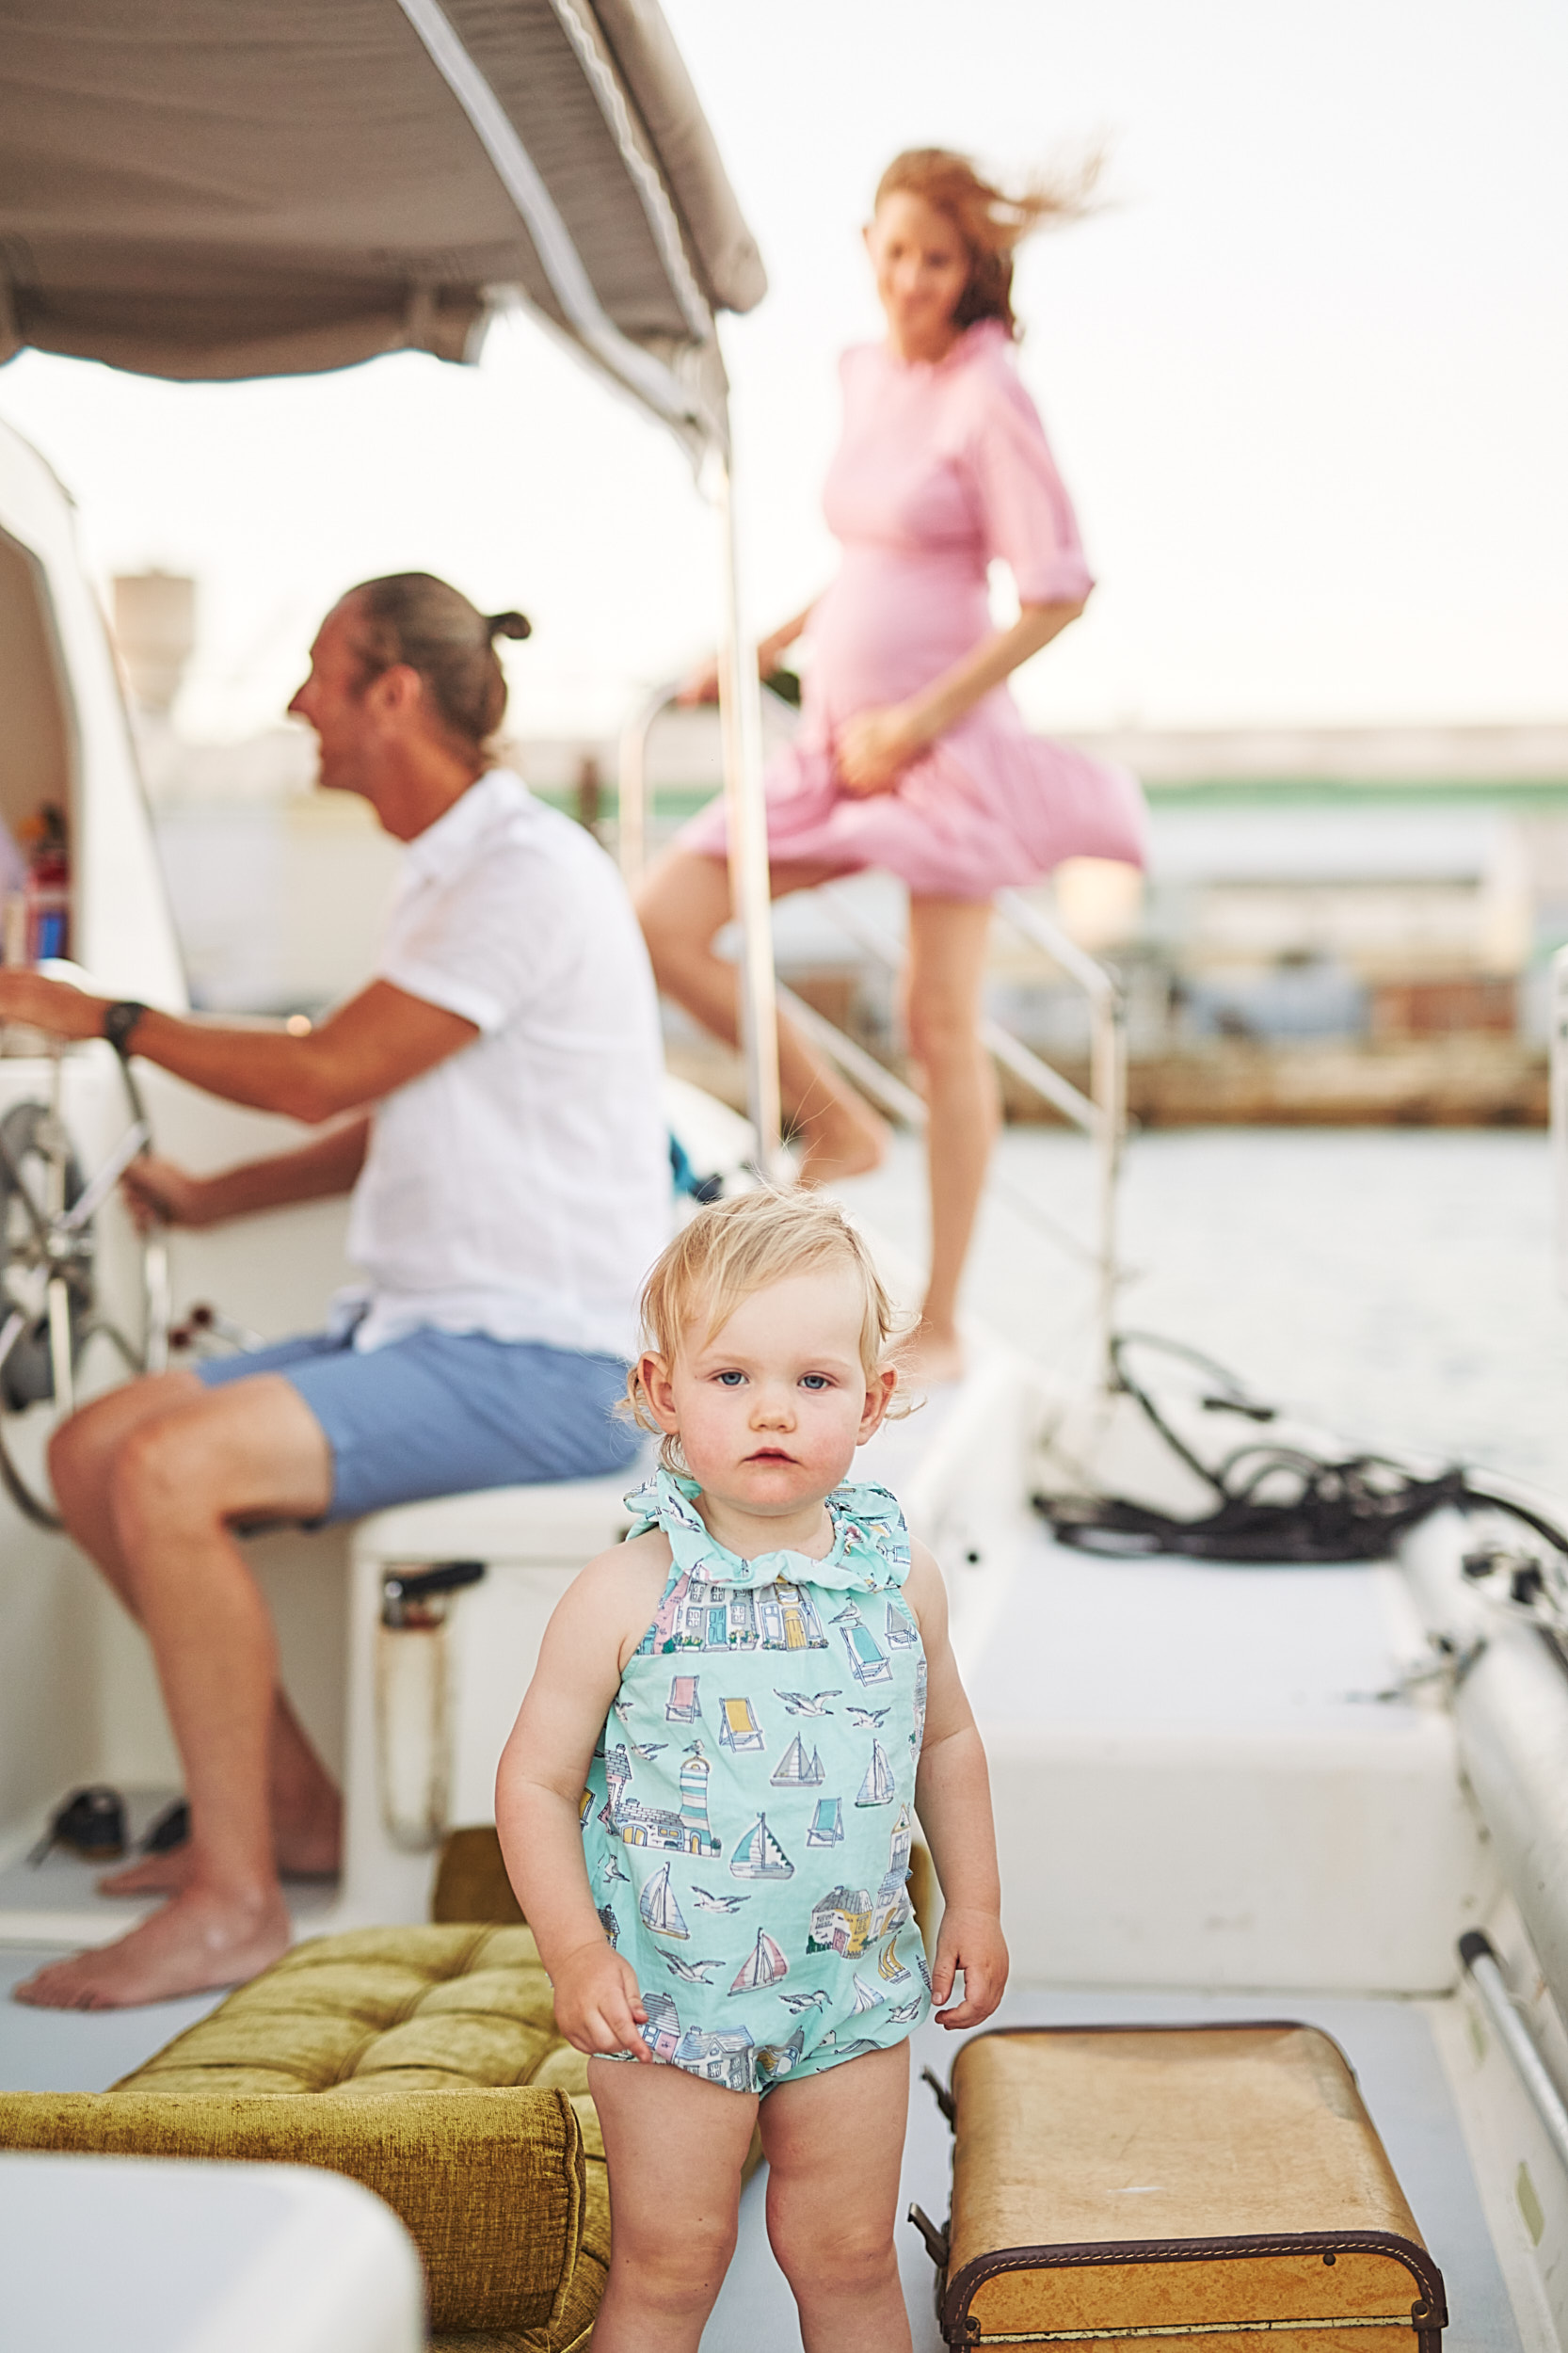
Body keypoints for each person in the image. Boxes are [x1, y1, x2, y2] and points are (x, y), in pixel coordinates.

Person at [5, 572, 671, 2010]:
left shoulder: (521, 873)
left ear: (394, 692)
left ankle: (236, 1901)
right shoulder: (446, 872)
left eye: (320, 672)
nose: (296, 702)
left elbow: (325, 1071)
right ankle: (295, 1813)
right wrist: (217, 1198)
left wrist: (98, 1012)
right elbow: (397, 1111)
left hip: (543, 1360)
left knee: (170, 1470)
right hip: (424, 1330)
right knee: (89, 1446)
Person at [639, 148, 1147, 1381]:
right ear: (866, 244)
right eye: (898, 251)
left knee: (938, 1020)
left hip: (940, 750)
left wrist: (917, 722)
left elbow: (1057, 589)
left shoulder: (990, 392)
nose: (912, 279)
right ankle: (839, 1125)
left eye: (939, 259)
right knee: (661, 919)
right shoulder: (863, 373)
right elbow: (875, 551)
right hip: (832, 746)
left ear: (973, 269)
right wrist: (767, 645)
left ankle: (946, 1321)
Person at [496, 1189, 1007, 2353]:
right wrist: (574, 1951)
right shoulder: (625, 1591)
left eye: (814, 1380)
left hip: (852, 1991)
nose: (772, 1410)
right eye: (731, 1377)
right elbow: (533, 1784)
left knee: (850, 2257)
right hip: (669, 2001)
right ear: (662, 1390)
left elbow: (945, 1742)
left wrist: (974, 1903)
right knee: (673, 2263)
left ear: (871, 1401)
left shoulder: (899, 1577)